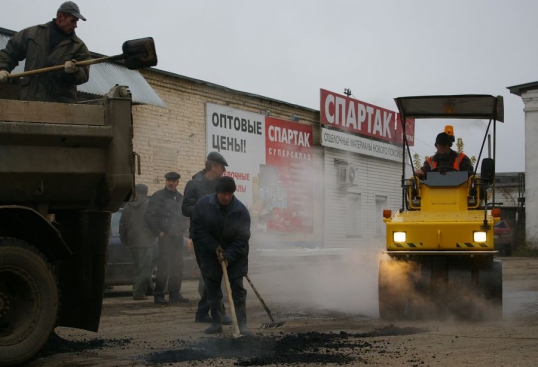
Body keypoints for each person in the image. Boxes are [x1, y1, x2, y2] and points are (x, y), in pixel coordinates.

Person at [191, 176, 251, 335]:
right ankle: (216, 322)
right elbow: (197, 230)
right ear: (217, 192)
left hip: (236, 254)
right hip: (211, 253)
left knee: (237, 287)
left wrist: (228, 255)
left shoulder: (241, 210)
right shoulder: (203, 206)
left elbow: (242, 238)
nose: (226, 197)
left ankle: (241, 324)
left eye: (230, 194)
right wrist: (214, 247)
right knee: (212, 288)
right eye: (223, 193)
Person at [0, 1, 91, 103]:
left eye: (76, 22)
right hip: (29, 102)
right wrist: (3, 68)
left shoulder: (78, 46)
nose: (75, 25)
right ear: (60, 17)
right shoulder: (33, 34)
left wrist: (74, 71)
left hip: (60, 107)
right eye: (72, 21)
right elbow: (10, 52)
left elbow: (84, 74)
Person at [182, 151, 232, 325]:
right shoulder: (194, 185)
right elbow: (185, 208)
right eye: (222, 167)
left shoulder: (221, 184)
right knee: (210, 274)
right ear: (213, 166)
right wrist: (203, 209)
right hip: (201, 237)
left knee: (211, 274)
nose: (224, 170)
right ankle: (219, 312)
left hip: (218, 236)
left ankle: (202, 313)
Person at [145, 172, 190, 305]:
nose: (171, 183)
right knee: (163, 266)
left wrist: (185, 229)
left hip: (177, 237)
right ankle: (159, 295)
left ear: (177, 183)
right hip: (165, 237)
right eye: (169, 180)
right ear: (165, 181)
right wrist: (158, 232)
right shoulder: (158, 196)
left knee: (177, 265)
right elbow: (149, 215)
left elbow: (185, 216)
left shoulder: (180, 198)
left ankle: (174, 293)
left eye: (173, 180)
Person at [119, 184, 157, 301]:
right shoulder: (149, 204)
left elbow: (122, 226)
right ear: (146, 192)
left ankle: (139, 288)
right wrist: (156, 233)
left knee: (138, 267)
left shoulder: (127, 207)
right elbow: (153, 221)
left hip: (133, 242)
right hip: (147, 242)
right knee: (145, 269)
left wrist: (125, 241)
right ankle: (139, 293)